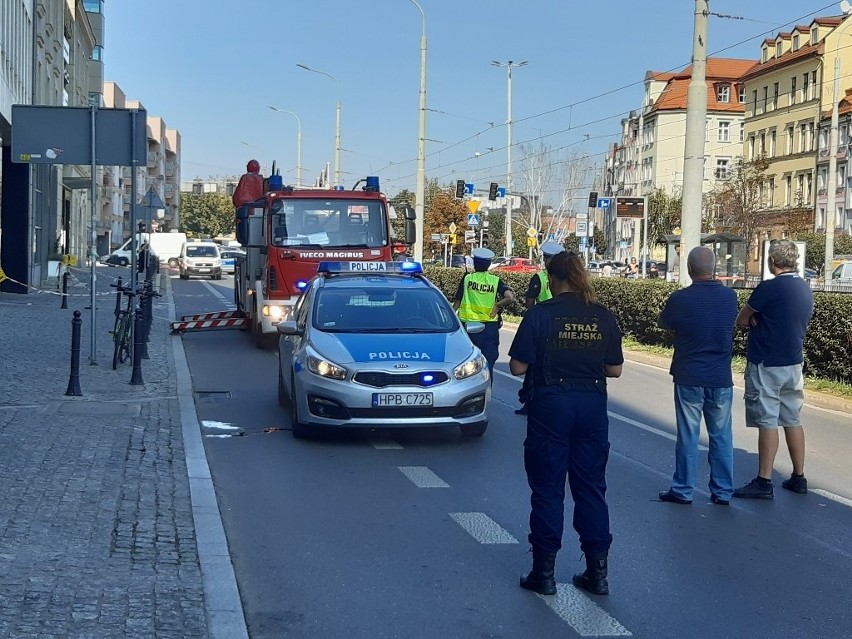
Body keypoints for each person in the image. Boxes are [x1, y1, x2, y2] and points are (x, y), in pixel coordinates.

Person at [508, 251, 623, 597]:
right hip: (591, 408)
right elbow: (615, 369)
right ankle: (597, 573)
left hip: (551, 407)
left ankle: (543, 573)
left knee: (548, 489)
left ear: (552, 278)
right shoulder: (602, 315)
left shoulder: (540, 315)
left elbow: (516, 367)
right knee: (591, 488)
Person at [657, 246, 739, 506]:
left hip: (689, 374)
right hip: (720, 377)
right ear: (714, 269)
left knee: (689, 435)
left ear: (690, 269)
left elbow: (664, 322)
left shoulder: (680, 299)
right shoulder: (730, 298)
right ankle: (723, 491)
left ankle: (683, 489)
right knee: (722, 436)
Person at [733, 239, 814, 499]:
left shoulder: (769, 288)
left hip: (766, 362)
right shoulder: (805, 288)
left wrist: (756, 320)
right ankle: (798, 476)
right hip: (793, 362)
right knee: (792, 418)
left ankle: (764, 481)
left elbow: (742, 319)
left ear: (772, 262)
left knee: (767, 420)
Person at [516, 241, 564, 415]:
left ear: (545, 260)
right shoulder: (570, 278)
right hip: (563, 327)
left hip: (542, 327)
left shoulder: (540, 277)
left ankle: (530, 402)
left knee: (534, 368)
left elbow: (530, 302)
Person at [453, 247, 514, 381]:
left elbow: (457, 301)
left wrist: (451, 318)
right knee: (488, 364)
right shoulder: (495, 281)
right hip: (489, 328)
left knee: (465, 364)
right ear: (488, 265)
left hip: (468, 327)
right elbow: (509, 297)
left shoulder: (468, 278)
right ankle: (487, 391)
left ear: (475, 263)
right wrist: (497, 306)